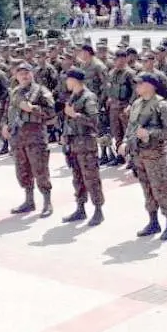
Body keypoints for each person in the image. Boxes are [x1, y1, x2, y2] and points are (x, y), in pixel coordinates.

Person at [120, 73, 167, 240]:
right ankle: (153, 222)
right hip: (139, 154)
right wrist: (125, 142)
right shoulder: (137, 103)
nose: (136, 86)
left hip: (156, 156)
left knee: (161, 189)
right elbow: (131, 127)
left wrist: (150, 134)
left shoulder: (161, 105)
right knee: (147, 189)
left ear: (150, 85)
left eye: (140, 83)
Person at [4, 63, 56, 216]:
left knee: (40, 170)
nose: (24, 76)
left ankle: (47, 202)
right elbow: (8, 110)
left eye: (26, 73)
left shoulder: (40, 91)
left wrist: (33, 109)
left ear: (32, 74)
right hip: (18, 138)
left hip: (35, 137)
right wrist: (4, 125)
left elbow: (52, 112)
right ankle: (29, 201)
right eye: (20, 74)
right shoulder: (15, 92)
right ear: (16, 76)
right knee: (22, 171)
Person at [61, 68, 105, 226]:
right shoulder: (73, 96)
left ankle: (98, 210)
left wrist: (76, 115)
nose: (66, 82)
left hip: (86, 145)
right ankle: (80, 208)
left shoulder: (89, 97)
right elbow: (68, 120)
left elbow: (94, 122)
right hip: (73, 144)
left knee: (91, 178)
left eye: (68, 79)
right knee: (77, 178)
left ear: (74, 80)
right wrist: (65, 136)